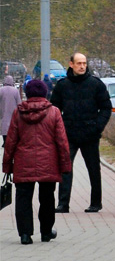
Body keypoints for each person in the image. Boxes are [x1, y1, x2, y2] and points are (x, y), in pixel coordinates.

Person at [3, 78, 71, 244]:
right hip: (48, 162)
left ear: (28, 93)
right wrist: (65, 165)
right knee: (47, 197)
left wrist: (7, 166)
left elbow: (10, 141)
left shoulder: (18, 112)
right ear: (45, 93)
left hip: (23, 162)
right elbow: (62, 141)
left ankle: (25, 234)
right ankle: (46, 232)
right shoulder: (54, 112)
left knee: (23, 197)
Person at [50, 52, 112, 214]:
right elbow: (54, 109)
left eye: (84, 63)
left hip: (90, 133)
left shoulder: (95, 84)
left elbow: (106, 107)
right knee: (65, 168)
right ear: (71, 64)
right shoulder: (62, 85)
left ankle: (96, 203)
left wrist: (97, 126)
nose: (82, 66)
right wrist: (60, 128)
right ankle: (63, 204)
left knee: (93, 169)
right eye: (79, 63)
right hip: (68, 133)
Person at [1, 75, 22, 145]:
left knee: (4, 125)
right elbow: (19, 102)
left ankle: (4, 140)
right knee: (12, 125)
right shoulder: (15, 91)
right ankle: (11, 141)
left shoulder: (1, 90)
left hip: (3, 110)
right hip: (13, 111)